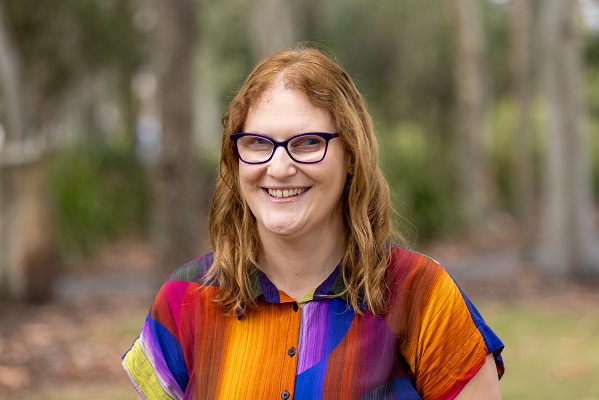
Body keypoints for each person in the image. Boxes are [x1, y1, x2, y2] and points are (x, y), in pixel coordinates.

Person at [122, 44, 505, 400]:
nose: (279, 167)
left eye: (307, 142)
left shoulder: (423, 296)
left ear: (352, 154)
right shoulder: (183, 301)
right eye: (257, 142)